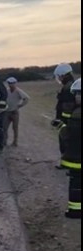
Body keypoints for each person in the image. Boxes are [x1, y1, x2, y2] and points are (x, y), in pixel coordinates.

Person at [58, 78, 81, 219]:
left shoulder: (78, 114)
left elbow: (70, 135)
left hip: (77, 158)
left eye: (80, 94)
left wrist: (61, 127)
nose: (77, 97)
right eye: (76, 94)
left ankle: (75, 211)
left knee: (76, 185)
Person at [52, 63, 76, 170]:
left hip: (67, 121)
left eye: (59, 76)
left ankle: (67, 164)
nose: (59, 79)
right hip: (70, 120)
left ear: (63, 75)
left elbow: (66, 107)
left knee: (66, 141)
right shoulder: (73, 85)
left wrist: (60, 120)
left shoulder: (68, 88)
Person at [3, 77, 30, 147]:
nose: (11, 85)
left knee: (15, 128)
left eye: (12, 83)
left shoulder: (18, 91)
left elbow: (26, 98)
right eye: (9, 83)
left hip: (14, 112)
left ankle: (15, 142)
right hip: (7, 111)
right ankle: (4, 141)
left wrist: (20, 105)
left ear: (15, 83)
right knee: (4, 127)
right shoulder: (7, 91)